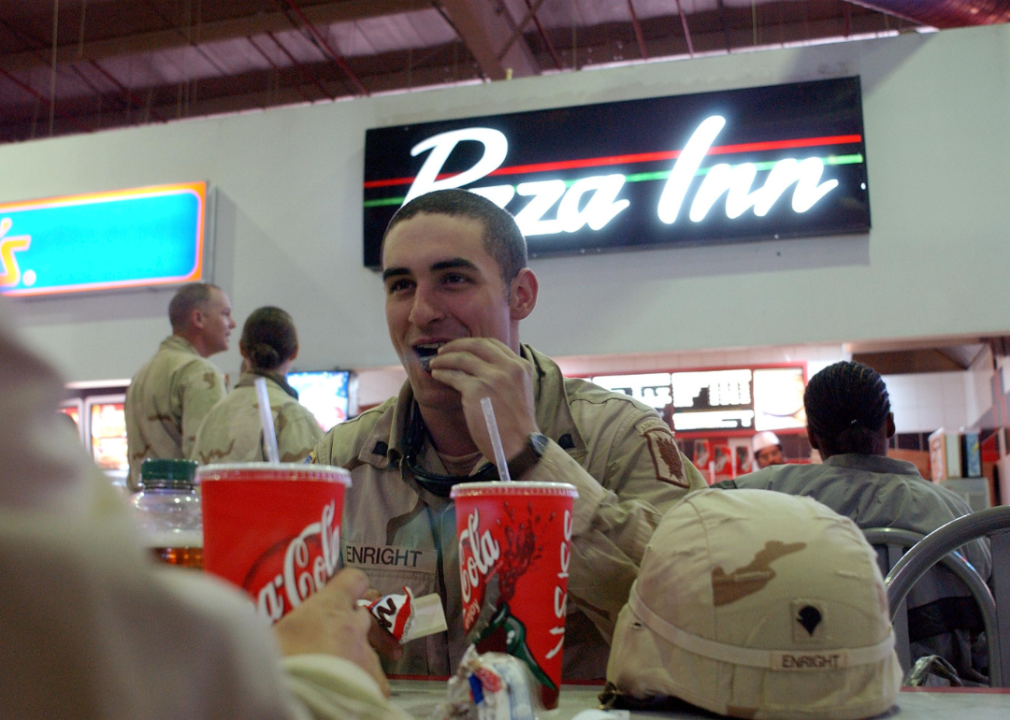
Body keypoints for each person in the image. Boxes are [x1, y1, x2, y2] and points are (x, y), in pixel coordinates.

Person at [310, 189, 707, 679]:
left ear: (521, 295)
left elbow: (699, 613)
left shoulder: (616, 436)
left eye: (452, 279)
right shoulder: (342, 458)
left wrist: (529, 455)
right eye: (401, 286)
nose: (421, 312)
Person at [0, 295, 412, 720]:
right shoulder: (218, 384)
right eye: (224, 313)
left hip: (160, 550)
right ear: (293, 353)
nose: (229, 321)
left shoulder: (152, 380)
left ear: (245, 352)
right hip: (228, 610)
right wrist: (316, 676)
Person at [715, 361, 991, 681]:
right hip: (947, 703)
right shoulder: (957, 515)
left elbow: (689, 507)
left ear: (813, 438)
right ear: (889, 425)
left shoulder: (767, 491)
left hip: (818, 692)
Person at [125, 283, 236, 490]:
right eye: (225, 314)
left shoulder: (142, 374)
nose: (233, 324)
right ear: (198, 319)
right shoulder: (199, 372)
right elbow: (208, 465)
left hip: (142, 512)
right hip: (183, 514)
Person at [193, 307, 322, 464]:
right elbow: (314, 485)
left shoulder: (214, 415)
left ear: (241, 349)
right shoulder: (291, 415)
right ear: (295, 351)